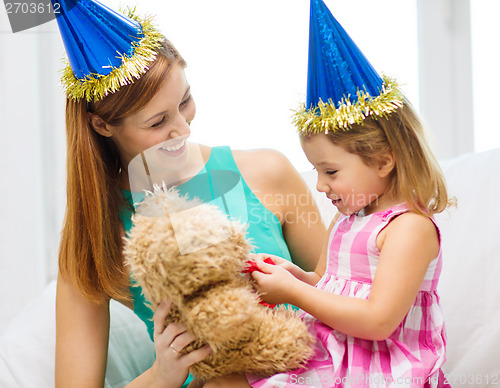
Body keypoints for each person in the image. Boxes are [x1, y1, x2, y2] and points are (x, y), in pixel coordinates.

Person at [52, 2, 325, 388]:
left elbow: (347, 296)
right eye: (158, 121)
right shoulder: (96, 234)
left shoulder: (268, 172)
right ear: (102, 125)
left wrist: (298, 288)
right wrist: (161, 375)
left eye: (185, 101)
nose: (183, 129)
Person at [204, 1, 453, 387]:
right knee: (223, 377)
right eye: (318, 170)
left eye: (331, 171)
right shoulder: (347, 217)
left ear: (384, 159)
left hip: (380, 367)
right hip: (335, 350)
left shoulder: (408, 229)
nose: (320, 186)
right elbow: (325, 281)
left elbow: (378, 321)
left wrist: (294, 294)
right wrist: (296, 276)